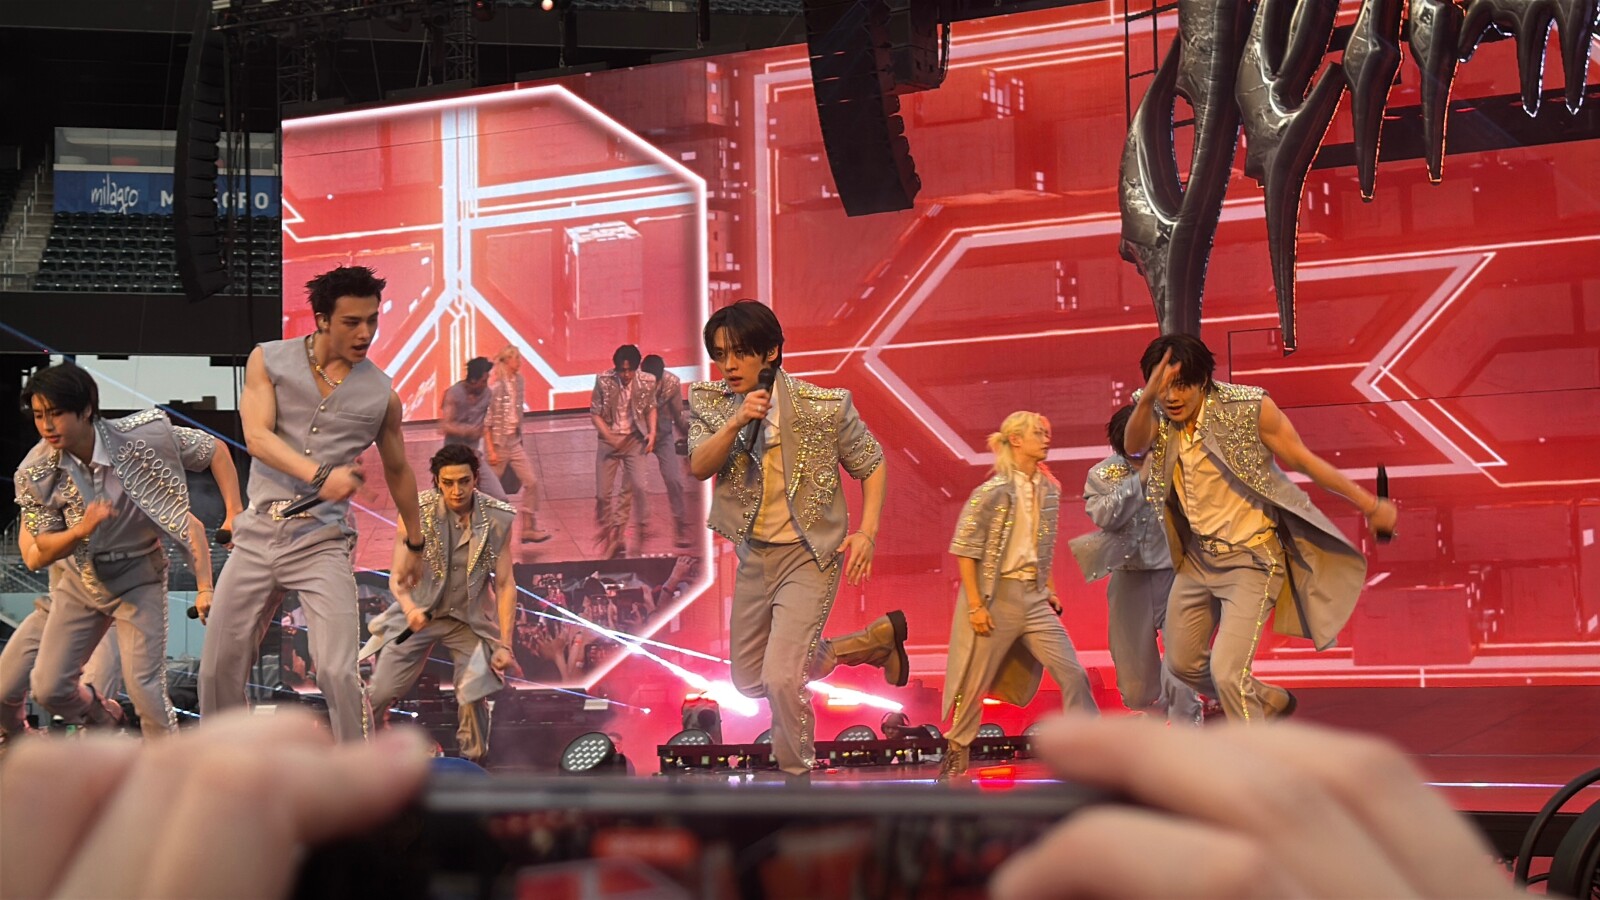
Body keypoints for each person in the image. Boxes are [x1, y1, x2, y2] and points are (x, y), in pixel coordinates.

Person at [199, 265, 425, 743]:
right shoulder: (269, 360)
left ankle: (357, 771)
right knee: (218, 668)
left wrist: (416, 541)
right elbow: (257, 438)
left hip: (322, 539)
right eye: (351, 322)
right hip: (257, 535)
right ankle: (223, 762)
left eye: (372, 320)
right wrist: (322, 475)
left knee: (338, 670)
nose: (365, 333)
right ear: (322, 320)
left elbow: (399, 471)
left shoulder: (382, 395)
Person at [1123, 333, 1399, 722]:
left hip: (1252, 559)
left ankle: (1255, 755)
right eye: (1162, 387)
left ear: (1203, 380)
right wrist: (1148, 397)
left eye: (1181, 385)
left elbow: (1303, 460)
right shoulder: (1153, 409)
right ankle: (1266, 700)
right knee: (1182, 664)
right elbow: (1134, 446)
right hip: (1198, 561)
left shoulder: (1248, 407)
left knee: (1227, 673)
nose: (1171, 397)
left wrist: (1370, 504)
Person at [688, 299, 908, 778]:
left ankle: (797, 778)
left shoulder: (821, 406)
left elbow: (871, 464)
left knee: (783, 678)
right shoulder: (710, 401)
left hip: (809, 556)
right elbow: (700, 465)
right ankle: (868, 645)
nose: (728, 365)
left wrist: (867, 533)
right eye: (721, 355)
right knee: (750, 681)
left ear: (770, 351)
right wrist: (736, 421)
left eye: (740, 353)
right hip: (754, 556)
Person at [13, 362, 240, 738]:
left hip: (139, 576)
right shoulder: (35, 472)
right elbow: (42, 548)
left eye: (56, 413)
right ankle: (106, 718)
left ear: (86, 409)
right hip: (80, 582)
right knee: (48, 688)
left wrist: (234, 511)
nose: (47, 426)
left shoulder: (144, 437)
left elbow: (214, 450)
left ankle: (165, 766)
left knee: (145, 688)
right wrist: (81, 529)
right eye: (39, 416)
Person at [942, 411, 1097, 779]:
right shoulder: (991, 492)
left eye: (1046, 432)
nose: (1046, 438)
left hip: (1033, 597)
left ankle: (1089, 749)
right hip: (996, 598)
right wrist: (976, 605)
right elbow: (965, 549)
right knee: (974, 681)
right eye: (1038, 433)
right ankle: (956, 751)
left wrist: (1050, 589)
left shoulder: (1048, 490)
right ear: (1016, 440)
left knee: (1073, 672)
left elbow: (1041, 546)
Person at [362, 445, 520, 763]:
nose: (456, 490)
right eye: (448, 483)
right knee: (379, 693)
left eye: (464, 481)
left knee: (474, 690)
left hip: (470, 618)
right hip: (418, 613)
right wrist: (410, 609)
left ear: (476, 479)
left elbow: (505, 584)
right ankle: (369, 761)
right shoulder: (416, 512)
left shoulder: (497, 517)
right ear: (437, 481)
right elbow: (398, 578)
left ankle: (473, 766)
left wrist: (505, 644)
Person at [1069, 405, 1202, 725]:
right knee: (1136, 687)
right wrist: (1139, 480)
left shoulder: (1185, 464)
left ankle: (1187, 731)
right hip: (1130, 580)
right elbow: (1105, 517)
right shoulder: (1102, 474)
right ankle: (1156, 712)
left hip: (1179, 575)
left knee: (1183, 660)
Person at [590, 344, 656, 558]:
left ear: (636, 368)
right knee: (602, 495)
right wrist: (609, 437)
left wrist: (652, 432)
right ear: (616, 368)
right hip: (609, 440)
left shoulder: (647, 381)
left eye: (630, 370)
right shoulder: (603, 380)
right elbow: (595, 414)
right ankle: (608, 529)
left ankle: (618, 534)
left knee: (634, 487)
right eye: (622, 370)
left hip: (634, 439)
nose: (626, 374)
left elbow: (651, 408)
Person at [484, 346, 550, 543]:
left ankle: (528, 527)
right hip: (499, 445)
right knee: (490, 490)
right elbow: (487, 423)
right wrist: (491, 450)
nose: (519, 362)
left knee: (531, 482)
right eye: (516, 358)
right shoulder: (496, 388)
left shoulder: (519, 381)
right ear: (506, 361)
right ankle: (481, 529)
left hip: (514, 442)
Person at [641, 353, 694, 549]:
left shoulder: (672, 383)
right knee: (634, 483)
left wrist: (689, 439)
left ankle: (680, 526)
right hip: (639, 436)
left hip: (663, 436)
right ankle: (639, 525)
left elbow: (678, 415)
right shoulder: (633, 384)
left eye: (656, 380)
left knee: (674, 480)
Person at [440, 357, 509, 503]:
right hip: (453, 459)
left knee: (500, 498)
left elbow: (490, 422)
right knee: (456, 502)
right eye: (483, 381)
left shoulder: (487, 395)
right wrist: (469, 431)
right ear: (473, 380)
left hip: (474, 456)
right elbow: (445, 425)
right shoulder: (454, 393)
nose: (486, 384)